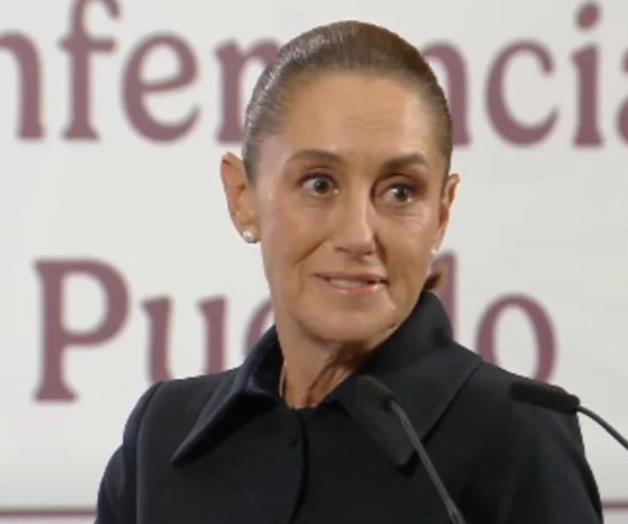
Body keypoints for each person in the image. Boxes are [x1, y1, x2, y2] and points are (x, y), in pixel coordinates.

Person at [96, 21, 603, 523]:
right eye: (319, 184)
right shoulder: (161, 437)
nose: (359, 235)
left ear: (442, 213)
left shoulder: (515, 437)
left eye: (400, 191)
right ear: (242, 197)